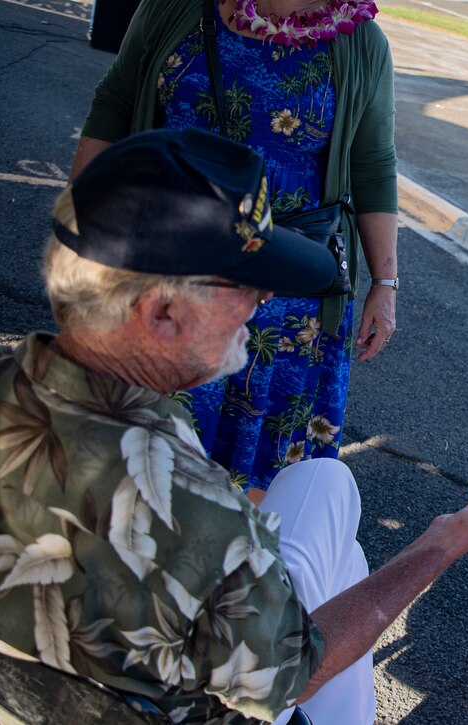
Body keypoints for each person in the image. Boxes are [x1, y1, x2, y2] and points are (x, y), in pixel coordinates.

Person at [0, 129, 468, 724]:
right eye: (244, 281)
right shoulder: (188, 505)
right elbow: (292, 676)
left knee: (331, 502)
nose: (266, 297)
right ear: (163, 312)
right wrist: (443, 543)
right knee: (330, 503)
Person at [70, 0, 399, 501]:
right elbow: (115, 104)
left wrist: (385, 283)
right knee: (136, 456)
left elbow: (373, 163)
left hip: (288, 297)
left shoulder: (359, 42)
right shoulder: (172, 8)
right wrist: (83, 226)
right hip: (165, 267)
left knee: (257, 481)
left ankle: (229, 571)